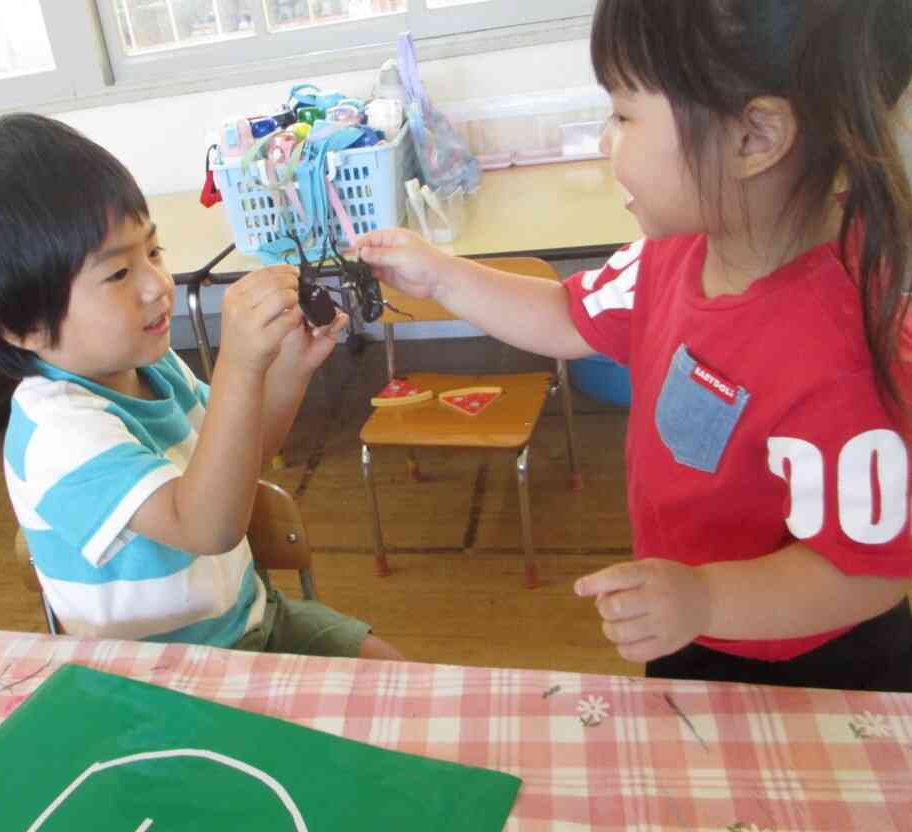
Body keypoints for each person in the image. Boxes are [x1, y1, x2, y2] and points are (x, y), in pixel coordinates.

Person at [357, 0, 912, 689]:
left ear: (753, 137)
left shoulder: (842, 351)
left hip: (807, 666)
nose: (602, 140)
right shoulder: (670, 254)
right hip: (687, 616)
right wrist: (441, 276)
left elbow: (862, 573)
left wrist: (706, 597)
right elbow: (564, 314)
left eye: (622, 115)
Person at [0, 113, 401, 660]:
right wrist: (239, 367)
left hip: (249, 621)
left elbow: (243, 457)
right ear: (23, 325)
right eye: (118, 274)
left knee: (396, 678)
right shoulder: (58, 433)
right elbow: (206, 526)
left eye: (152, 251)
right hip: (159, 675)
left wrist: (291, 368)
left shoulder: (153, 365)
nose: (157, 284)